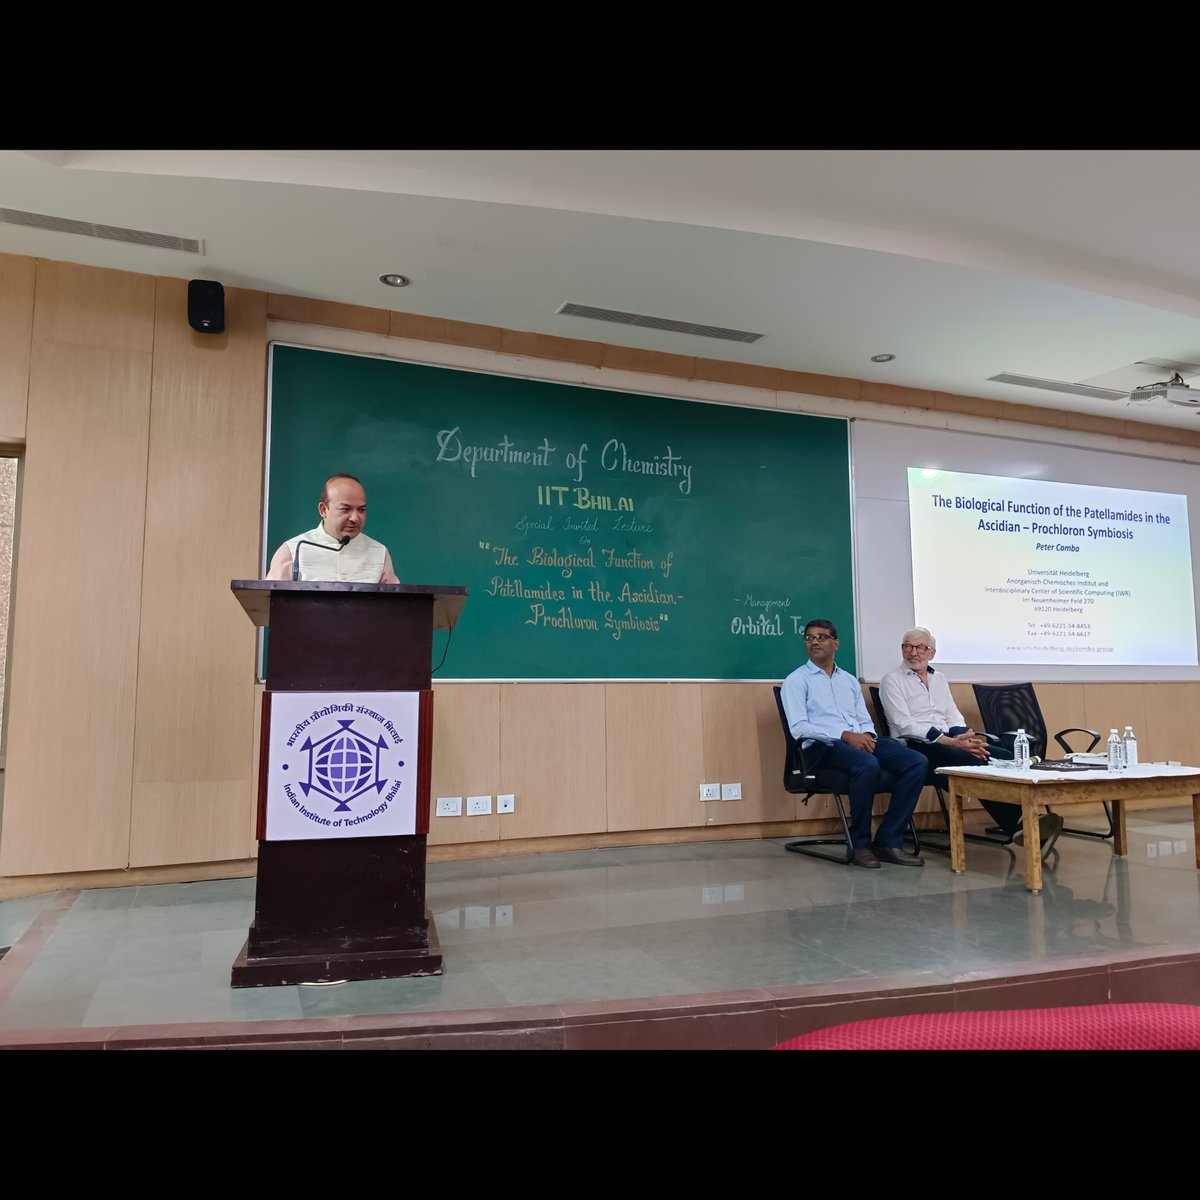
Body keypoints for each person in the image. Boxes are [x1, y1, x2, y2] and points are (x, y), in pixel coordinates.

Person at [878, 626, 1063, 855]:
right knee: (973, 762)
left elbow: (952, 715)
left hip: (951, 741)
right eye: (908, 647)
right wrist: (953, 743)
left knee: (1004, 756)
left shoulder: (940, 679)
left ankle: (1022, 823)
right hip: (919, 745)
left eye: (920, 647)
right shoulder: (892, 681)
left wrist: (965, 737)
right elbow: (904, 724)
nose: (913, 652)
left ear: (932, 653)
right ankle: (1024, 825)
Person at [780, 618, 929, 869]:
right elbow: (799, 728)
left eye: (821, 637)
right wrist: (844, 735)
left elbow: (863, 718)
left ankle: (888, 841)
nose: (814, 641)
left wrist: (869, 737)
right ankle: (861, 844)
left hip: (859, 740)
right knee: (867, 764)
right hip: (821, 748)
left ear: (835, 643)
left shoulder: (848, 680)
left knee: (916, 761)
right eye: (809, 638)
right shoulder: (797, 680)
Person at [266, 473, 399, 583]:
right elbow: (272, 604)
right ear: (323, 510)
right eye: (345, 509)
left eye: (361, 510)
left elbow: (394, 607)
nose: (355, 518)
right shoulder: (294, 550)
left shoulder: (379, 553)